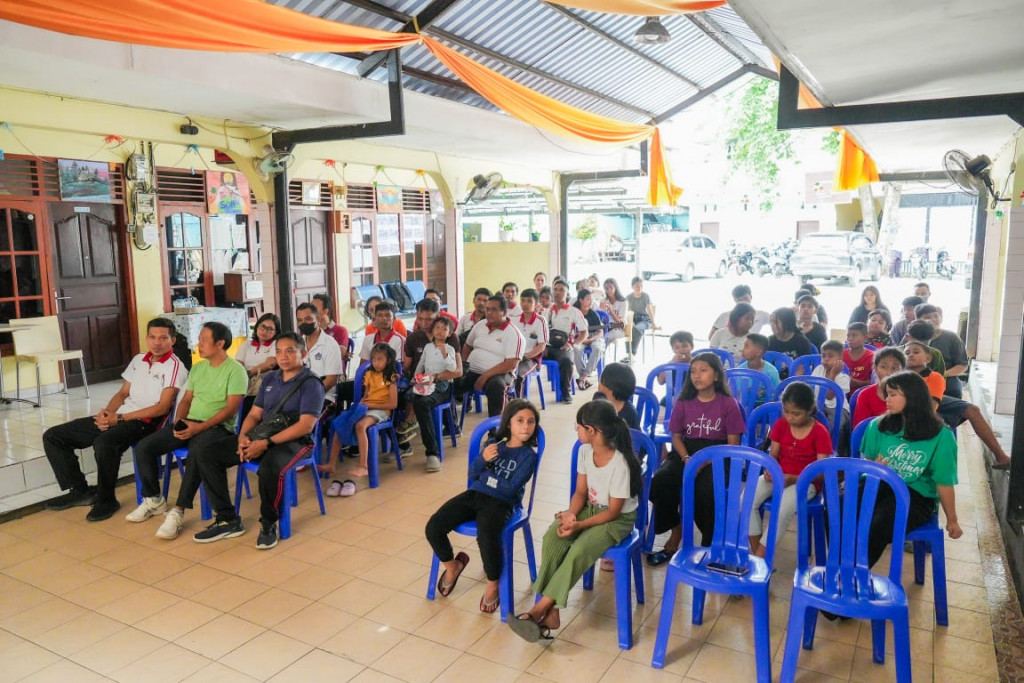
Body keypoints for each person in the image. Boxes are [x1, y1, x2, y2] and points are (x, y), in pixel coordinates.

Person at [508, 400, 642, 642]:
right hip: (589, 509)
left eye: (579, 426)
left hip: (618, 520)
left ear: (593, 431)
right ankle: (553, 612)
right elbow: (581, 492)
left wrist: (580, 526)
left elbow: (613, 513)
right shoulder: (584, 451)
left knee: (579, 548)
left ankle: (540, 608)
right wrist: (571, 516)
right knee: (552, 537)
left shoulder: (619, 463)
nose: (575, 430)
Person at [42, 318, 187, 521]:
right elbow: (122, 394)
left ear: (172, 340)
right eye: (152, 337)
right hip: (121, 416)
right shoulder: (138, 360)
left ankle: (106, 499)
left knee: (105, 442)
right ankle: (80, 491)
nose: (157, 342)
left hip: (145, 422)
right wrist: (106, 414)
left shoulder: (175, 367)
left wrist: (119, 418)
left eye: (163, 338)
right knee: (54, 436)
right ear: (147, 338)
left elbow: (162, 408)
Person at [196, 332, 324, 548]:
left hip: (297, 441)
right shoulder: (271, 378)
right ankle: (228, 519)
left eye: (290, 351)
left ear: (302, 353)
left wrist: (266, 444)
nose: (283, 357)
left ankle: (268, 522)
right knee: (207, 454)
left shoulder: (311, 383)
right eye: (279, 352)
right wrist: (243, 437)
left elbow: (306, 426)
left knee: (270, 467)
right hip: (263, 435)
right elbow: (255, 415)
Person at [128, 322, 247, 540]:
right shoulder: (199, 368)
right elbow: (187, 399)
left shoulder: (236, 370)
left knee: (198, 451)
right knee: (146, 446)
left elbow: (231, 410)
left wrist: (199, 428)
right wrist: (180, 422)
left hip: (218, 428)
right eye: (199, 339)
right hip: (191, 422)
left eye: (203, 340)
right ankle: (153, 499)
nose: (198, 344)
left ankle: (178, 511)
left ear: (220, 343)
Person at [426, 399, 540, 613]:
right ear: (508, 424)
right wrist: (483, 461)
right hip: (475, 494)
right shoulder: (492, 446)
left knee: (487, 535)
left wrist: (486, 476)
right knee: (434, 525)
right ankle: (453, 566)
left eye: (531, 421)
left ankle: (493, 583)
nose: (526, 426)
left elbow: (509, 488)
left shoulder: (528, 456)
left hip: (503, 503)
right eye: (520, 420)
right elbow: (472, 474)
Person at [647, 353, 745, 565]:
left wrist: (705, 461)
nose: (697, 376)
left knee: (707, 491)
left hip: (717, 454)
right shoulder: (683, 402)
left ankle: (710, 546)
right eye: (693, 371)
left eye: (703, 371)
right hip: (686, 451)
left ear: (717, 376)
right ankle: (676, 532)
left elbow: (732, 444)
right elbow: (676, 437)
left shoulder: (729, 404)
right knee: (660, 481)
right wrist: (687, 458)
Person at [859, 371, 961, 570]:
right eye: (886, 394)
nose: (886, 400)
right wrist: (875, 469)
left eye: (892, 395)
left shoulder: (941, 436)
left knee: (878, 522)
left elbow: (944, 482)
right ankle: (841, 566)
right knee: (840, 503)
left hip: (917, 495)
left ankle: (854, 574)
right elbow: (867, 462)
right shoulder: (878, 426)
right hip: (879, 484)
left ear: (913, 398)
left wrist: (953, 520)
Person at [747, 381, 832, 558]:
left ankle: (759, 559)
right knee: (746, 501)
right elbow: (773, 455)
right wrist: (770, 469)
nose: (790, 417)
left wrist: (793, 478)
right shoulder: (780, 425)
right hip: (778, 475)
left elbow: (822, 473)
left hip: (805, 482)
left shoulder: (820, 432)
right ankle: (758, 555)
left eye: (796, 413)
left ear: (809, 410)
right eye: (786, 411)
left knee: (780, 510)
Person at [324, 343, 400, 482]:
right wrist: (359, 406)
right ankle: (331, 464)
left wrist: (369, 404)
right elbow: (366, 395)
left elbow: (393, 404)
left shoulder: (392, 378)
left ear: (388, 360)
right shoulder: (369, 374)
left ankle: (363, 466)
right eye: (374, 359)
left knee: (360, 426)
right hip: (366, 408)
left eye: (380, 359)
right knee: (340, 425)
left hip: (381, 411)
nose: (376, 363)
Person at [406, 317, 462, 473]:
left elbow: (453, 369)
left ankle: (432, 453)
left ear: (450, 333)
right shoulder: (428, 348)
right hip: (426, 381)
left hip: (442, 385)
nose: (440, 331)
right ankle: (406, 436)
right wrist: (414, 379)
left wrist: (445, 354)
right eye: (437, 327)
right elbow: (421, 364)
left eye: (444, 329)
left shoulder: (450, 349)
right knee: (408, 396)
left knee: (420, 403)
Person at [461, 295, 524, 417]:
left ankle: (496, 430)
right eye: (487, 309)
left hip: (500, 374)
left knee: (496, 386)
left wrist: (485, 376)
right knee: (450, 381)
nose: (489, 313)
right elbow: (467, 346)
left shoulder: (513, 334)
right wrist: (464, 367)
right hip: (473, 371)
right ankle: (451, 425)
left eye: (494, 310)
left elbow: (511, 363)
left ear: (504, 312)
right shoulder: (481, 325)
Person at [546, 281, 588, 404]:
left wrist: (573, 344)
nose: (558, 292)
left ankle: (566, 392)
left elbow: (583, 332)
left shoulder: (574, 312)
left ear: (567, 294)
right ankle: (519, 394)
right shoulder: (547, 311)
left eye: (561, 290)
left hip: (564, 347)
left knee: (566, 361)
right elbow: (540, 331)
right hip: (547, 347)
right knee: (526, 358)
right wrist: (541, 346)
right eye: (555, 289)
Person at [916, 304, 969, 398]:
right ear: (918, 321)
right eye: (927, 317)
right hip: (918, 376)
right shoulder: (913, 337)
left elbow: (962, 365)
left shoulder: (952, 337)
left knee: (954, 391)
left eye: (936, 316)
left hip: (947, 376)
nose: (933, 320)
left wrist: (942, 374)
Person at [297, 302, 343, 407]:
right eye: (300, 320)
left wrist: (310, 396)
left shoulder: (330, 344)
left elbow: (331, 380)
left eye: (308, 319)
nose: (303, 323)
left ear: (318, 319)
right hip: (299, 396)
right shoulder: (297, 344)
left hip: (324, 396)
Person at [235, 312, 279, 417]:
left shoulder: (275, 344)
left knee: (249, 405)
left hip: (264, 385)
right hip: (244, 382)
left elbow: (270, 364)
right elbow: (238, 364)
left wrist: (249, 372)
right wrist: (240, 376)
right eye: (262, 326)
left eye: (270, 329)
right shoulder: (247, 344)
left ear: (276, 332)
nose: (265, 331)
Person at [852, 346, 906, 428]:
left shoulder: (908, 394)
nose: (889, 372)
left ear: (903, 370)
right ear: (875, 369)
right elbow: (861, 429)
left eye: (895, 368)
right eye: (884, 367)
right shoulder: (865, 395)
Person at [511, 288, 548, 396]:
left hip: (531, 360)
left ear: (536, 303)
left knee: (519, 375)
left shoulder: (541, 321)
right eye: (523, 300)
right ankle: (509, 397)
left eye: (529, 301)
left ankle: (519, 402)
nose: (525, 304)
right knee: (504, 371)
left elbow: (542, 346)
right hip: (514, 356)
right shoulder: (514, 319)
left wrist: (526, 356)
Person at [572, 290, 605, 391]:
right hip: (579, 336)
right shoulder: (574, 312)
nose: (591, 302)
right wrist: (581, 338)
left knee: (598, 348)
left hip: (593, 337)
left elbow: (600, 332)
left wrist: (590, 339)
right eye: (588, 299)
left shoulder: (593, 314)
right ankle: (583, 377)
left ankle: (583, 376)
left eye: (592, 299)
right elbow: (570, 329)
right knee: (576, 348)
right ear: (581, 300)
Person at [812, 340, 851, 424]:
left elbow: (829, 396)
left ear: (840, 359)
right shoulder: (818, 369)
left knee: (835, 424)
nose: (826, 359)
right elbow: (811, 387)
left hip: (837, 408)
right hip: (818, 406)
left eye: (830, 356)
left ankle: (833, 437)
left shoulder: (843, 377)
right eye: (823, 356)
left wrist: (833, 374)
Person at [594, 362, 639, 429]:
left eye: (601, 380)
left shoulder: (630, 413)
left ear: (608, 387)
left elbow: (635, 436)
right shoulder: (598, 398)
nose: (599, 382)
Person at [739, 333, 780, 402]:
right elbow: (738, 395)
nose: (742, 350)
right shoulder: (740, 371)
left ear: (758, 352)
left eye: (746, 346)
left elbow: (776, 394)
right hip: (744, 406)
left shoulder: (771, 371)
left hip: (765, 408)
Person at [312, 293, 351, 363]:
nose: (310, 311)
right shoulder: (308, 329)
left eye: (314, 308)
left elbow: (338, 355)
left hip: (333, 370)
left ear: (325, 311)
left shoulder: (341, 331)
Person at [626, 276, 657, 357]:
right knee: (628, 328)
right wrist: (630, 322)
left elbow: (650, 311)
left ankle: (632, 353)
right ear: (632, 286)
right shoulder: (629, 297)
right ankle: (628, 353)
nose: (639, 287)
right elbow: (628, 311)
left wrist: (653, 324)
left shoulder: (646, 296)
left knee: (637, 328)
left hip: (645, 319)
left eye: (641, 286)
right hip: (634, 318)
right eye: (637, 286)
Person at [844, 323, 874, 391]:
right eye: (848, 335)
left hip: (864, 393)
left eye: (854, 335)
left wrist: (857, 383)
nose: (850, 339)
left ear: (865, 338)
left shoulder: (872, 357)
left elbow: (876, 382)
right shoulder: (841, 355)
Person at [600, 278, 628, 349]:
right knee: (596, 336)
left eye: (611, 288)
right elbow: (601, 320)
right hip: (607, 327)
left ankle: (600, 356)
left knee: (604, 337)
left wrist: (611, 310)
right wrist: (602, 311)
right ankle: (596, 355)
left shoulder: (623, 302)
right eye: (606, 288)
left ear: (616, 288)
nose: (609, 290)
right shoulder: (604, 300)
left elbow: (619, 321)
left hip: (619, 329)